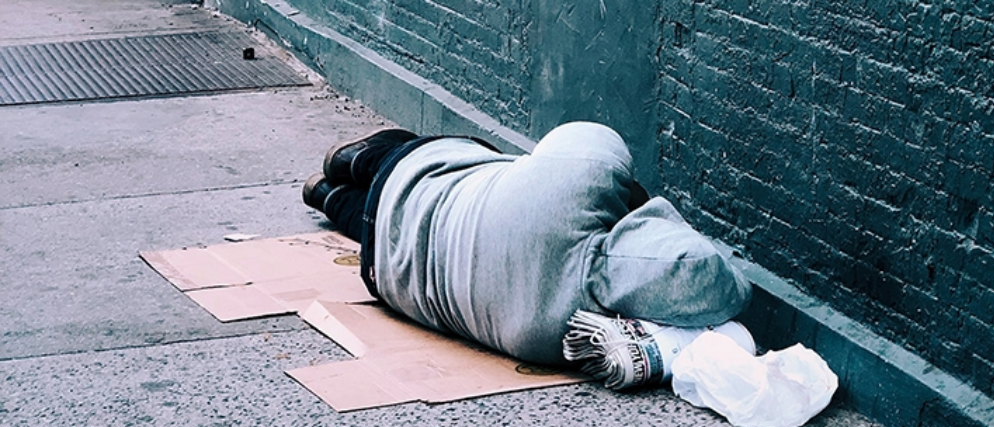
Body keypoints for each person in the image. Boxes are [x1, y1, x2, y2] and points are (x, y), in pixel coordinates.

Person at [302, 122, 752, 388]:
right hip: (388, 274)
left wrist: (637, 204)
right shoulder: (560, 336)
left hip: (418, 174)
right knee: (373, 221)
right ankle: (325, 195)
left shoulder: (579, 181)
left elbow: (588, 137)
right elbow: (713, 282)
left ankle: (349, 162)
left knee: (400, 165)